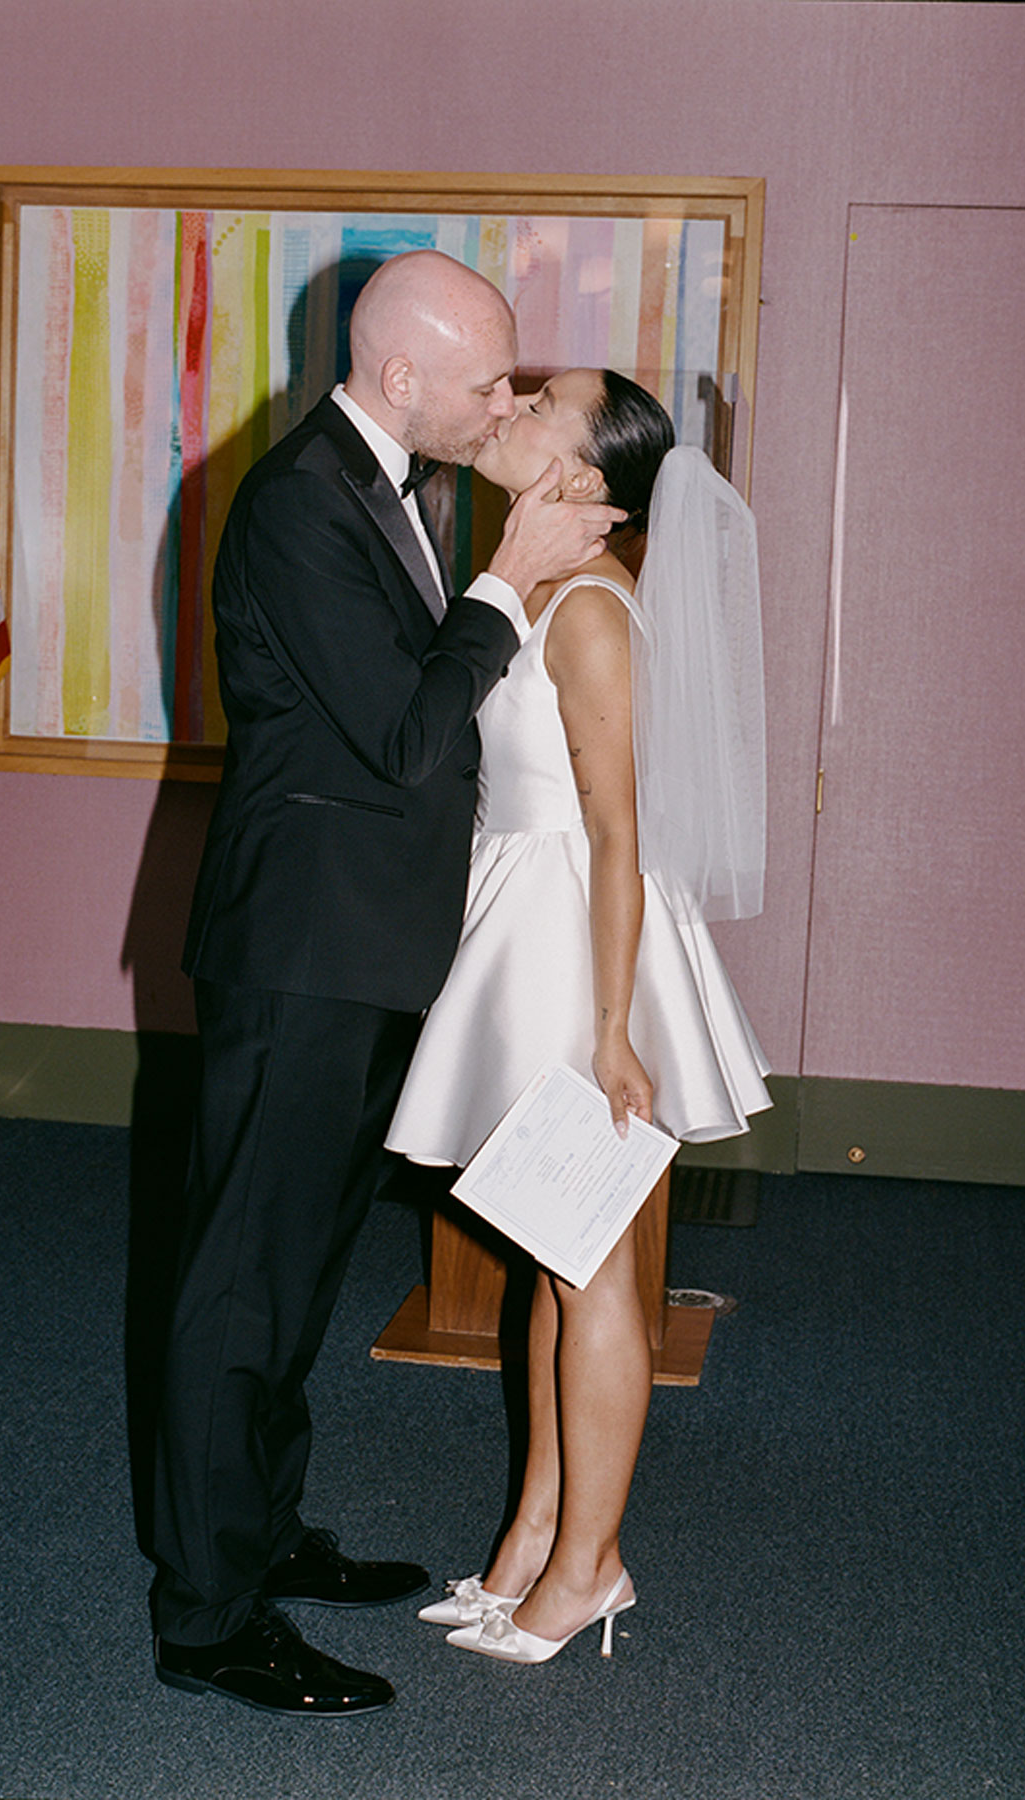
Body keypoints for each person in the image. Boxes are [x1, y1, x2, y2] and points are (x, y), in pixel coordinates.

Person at [149, 254, 626, 1718]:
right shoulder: (302, 504)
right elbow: (409, 740)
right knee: (237, 1287)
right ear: (402, 377)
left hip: (371, 956)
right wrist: (508, 581)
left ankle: (264, 1533)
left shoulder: (398, 479)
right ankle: (209, 1616)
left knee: (295, 1273)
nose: (502, 408)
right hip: (301, 954)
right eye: (486, 383)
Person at [386, 368, 772, 1663]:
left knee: (595, 1271)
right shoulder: (534, 584)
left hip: (581, 952)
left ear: (592, 474)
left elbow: (618, 835)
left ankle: (593, 1567)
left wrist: (612, 1030)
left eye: (542, 402)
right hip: (523, 925)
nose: (512, 402)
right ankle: (533, 1539)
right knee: (556, 1262)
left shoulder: (595, 607)